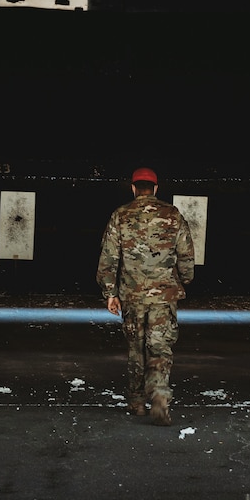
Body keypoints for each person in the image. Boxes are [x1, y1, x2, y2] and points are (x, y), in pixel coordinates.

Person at [96, 167, 195, 426]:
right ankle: (160, 394)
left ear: (133, 188)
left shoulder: (121, 215)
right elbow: (185, 254)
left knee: (136, 348)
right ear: (155, 188)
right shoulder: (172, 214)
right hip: (164, 296)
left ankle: (137, 401)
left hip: (132, 295)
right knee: (160, 347)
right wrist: (184, 279)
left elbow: (108, 257)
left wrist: (110, 292)